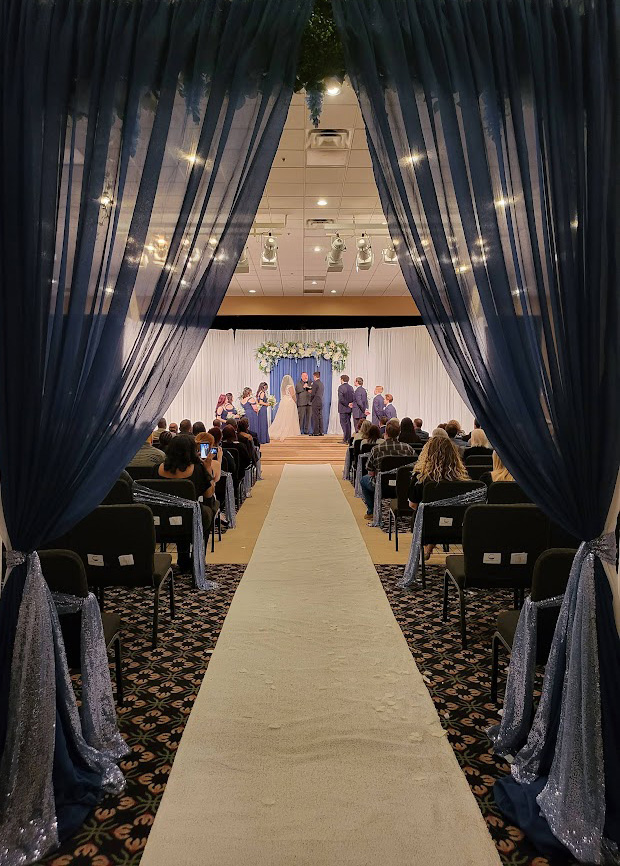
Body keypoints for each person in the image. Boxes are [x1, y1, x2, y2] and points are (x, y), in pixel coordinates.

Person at [156, 435, 215, 572]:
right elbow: (209, 494)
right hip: (190, 521)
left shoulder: (157, 469)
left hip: (161, 521)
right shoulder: (198, 469)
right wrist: (207, 468)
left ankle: (183, 557)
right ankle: (197, 559)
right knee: (205, 512)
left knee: (179, 513)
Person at [407, 436, 470, 559]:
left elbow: (413, 504)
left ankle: (429, 544)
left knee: (429, 516)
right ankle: (431, 543)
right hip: (459, 528)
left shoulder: (421, 478)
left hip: (427, 527)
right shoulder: (464, 479)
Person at [360, 419, 415, 520]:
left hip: (382, 486)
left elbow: (371, 472)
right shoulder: (408, 448)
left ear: (386, 433)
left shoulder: (376, 449)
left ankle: (371, 512)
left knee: (364, 480)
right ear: (399, 433)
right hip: (404, 485)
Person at [269, 374, 301, 440]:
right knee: (290, 416)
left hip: (284, 401)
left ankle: (282, 429)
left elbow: (283, 395)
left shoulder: (283, 387)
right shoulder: (290, 386)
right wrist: (295, 401)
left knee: (284, 416)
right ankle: (290, 431)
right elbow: (293, 395)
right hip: (290, 402)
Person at [337, 374, 355, 443]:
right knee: (348, 424)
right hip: (349, 409)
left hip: (343, 408)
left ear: (342, 380)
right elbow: (353, 397)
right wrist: (350, 403)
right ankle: (348, 439)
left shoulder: (341, 387)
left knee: (344, 424)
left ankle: (345, 439)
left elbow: (341, 399)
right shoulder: (351, 387)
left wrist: (347, 404)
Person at [310, 371, 324, 435]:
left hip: (315, 402)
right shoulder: (321, 383)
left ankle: (315, 432)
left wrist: (310, 400)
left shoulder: (315, 383)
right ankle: (321, 432)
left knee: (315, 417)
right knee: (320, 417)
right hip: (320, 401)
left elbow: (313, 394)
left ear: (315, 376)